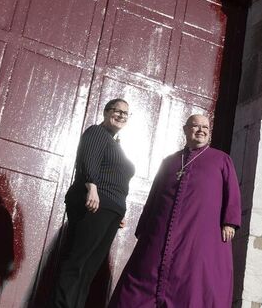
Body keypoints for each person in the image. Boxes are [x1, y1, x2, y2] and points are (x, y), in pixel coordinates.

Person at [109, 114, 241, 308]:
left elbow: (233, 192)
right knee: (140, 284)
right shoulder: (170, 161)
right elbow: (154, 197)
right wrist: (145, 228)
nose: (201, 130)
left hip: (199, 234)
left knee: (193, 286)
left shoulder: (221, 160)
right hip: (161, 233)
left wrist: (230, 221)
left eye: (205, 127)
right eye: (196, 126)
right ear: (186, 130)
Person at [52, 99, 135, 308]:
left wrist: (118, 211)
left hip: (110, 209)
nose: (121, 116)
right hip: (95, 204)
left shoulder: (115, 143)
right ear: (106, 112)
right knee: (77, 261)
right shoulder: (97, 133)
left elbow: (116, 177)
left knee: (89, 267)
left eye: (126, 113)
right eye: (117, 111)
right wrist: (92, 188)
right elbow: (87, 161)